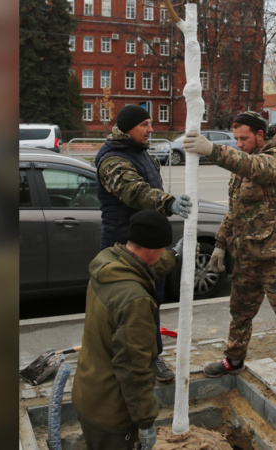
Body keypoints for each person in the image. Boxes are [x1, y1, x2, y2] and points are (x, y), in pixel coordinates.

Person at [182, 111, 276, 413]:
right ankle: (233, 359)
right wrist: (220, 245)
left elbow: (254, 166)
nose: (239, 144)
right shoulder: (246, 160)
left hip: (275, 259)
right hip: (246, 257)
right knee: (240, 313)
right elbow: (235, 209)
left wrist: (213, 150)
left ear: (260, 135)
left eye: (243, 138)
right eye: (235, 139)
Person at [94, 104, 193, 382]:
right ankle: (117, 365)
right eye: (145, 124)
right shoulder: (112, 160)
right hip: (123, 248)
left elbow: (152, 187)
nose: (152, 129)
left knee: (151, 303)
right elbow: (134, 191)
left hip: (146, 246)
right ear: (128, 129)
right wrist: (169, 203)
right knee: (123, 308)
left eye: (151, 123)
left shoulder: (141, 153)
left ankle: (153, 356)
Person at [72, 210, 185, 450]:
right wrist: (145, 422)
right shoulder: (136, 301)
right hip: (111, 414)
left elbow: (148, 265)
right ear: (153, 250)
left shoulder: (108, 262)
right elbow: (133, 369)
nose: (162, 253)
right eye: (162, 249)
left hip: (87, 392)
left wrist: (175, 254)